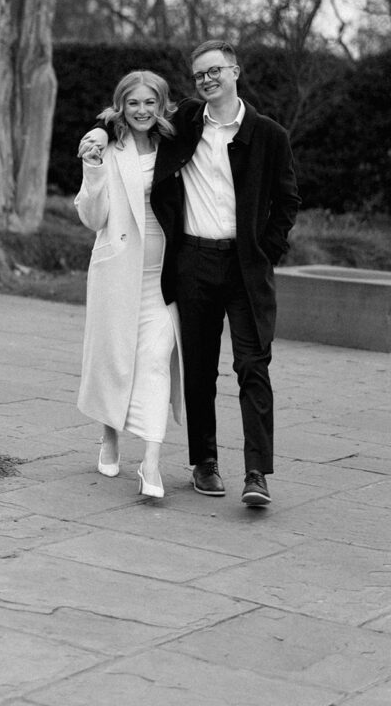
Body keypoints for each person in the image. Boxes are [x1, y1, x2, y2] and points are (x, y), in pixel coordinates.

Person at [79, 41, 300, 507]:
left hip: (244, 266)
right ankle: (204, 462)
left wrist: (266, 251)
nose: (207, 78)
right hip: (191, 264)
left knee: (252, 366)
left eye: (215, 70)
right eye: (199, 73)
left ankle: (256, 473)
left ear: (235, 71)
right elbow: (130, 117)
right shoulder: (184, 124)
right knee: (197, 370)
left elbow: (288, 201)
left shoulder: (269, 134)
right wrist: (98, 136)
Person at [75, 69, 184, 499]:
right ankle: (110, 434)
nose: (142, 110)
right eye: (133, 103)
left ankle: (151, 463)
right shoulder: (105, 146)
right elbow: (92, 217)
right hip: (117, 272)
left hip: (164, 276)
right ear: (121, 106)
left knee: (157, 359)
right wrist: (93, 165)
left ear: (161, 105)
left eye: (149, 102)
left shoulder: (173, 146)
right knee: (114, 359)